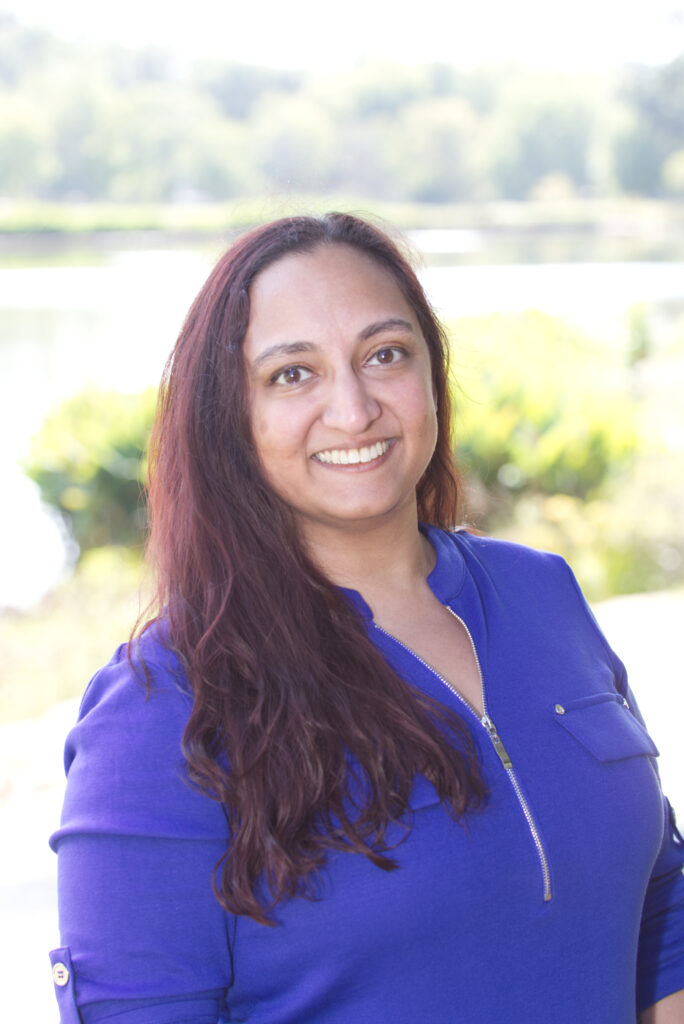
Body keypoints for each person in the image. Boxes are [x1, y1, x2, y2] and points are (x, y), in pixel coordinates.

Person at [49, 213, 684, 1023]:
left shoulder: (542, 594)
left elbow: (661, 923)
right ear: (228, 419)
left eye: (384, 355)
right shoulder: (165, 703)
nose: (352, 410)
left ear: (430, 373)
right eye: (292, 375)